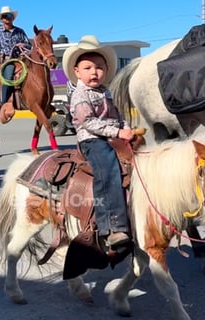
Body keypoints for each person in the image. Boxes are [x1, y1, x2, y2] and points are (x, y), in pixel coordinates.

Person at [63, 35, 136, 247]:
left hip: (111, 135)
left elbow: (118, 116)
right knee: (107, 168)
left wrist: (126, 129)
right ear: (77, 72)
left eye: (99, 67)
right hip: (93, 140)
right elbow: (88, 122)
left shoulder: (106, 92)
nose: (94, 72)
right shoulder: (80, 94)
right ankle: (111, 226)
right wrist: (117, 132)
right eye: (87, 68)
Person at [0, 6, 31, 111]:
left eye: (9, 16)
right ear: (2, 19)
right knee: (8, 75)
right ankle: (4, 103)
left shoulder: (20, 31)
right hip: (8, 60)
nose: (7, 18)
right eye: (5, 16)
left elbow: (29, 46)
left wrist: (23, 45)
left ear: (13, 17)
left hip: (21, 59)